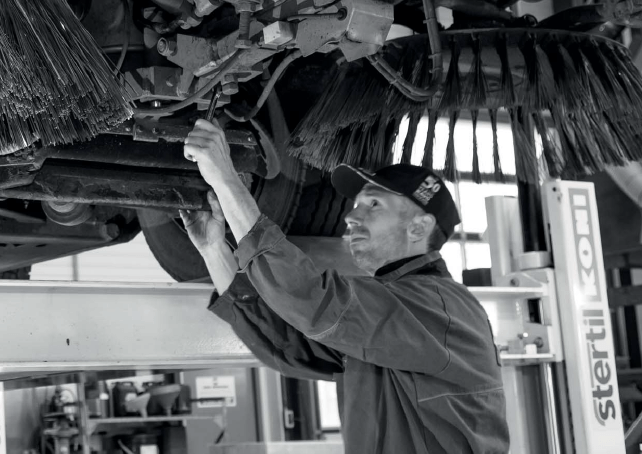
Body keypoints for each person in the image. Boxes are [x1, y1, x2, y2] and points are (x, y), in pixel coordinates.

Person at [182, 118, 510, 454]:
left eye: (373, 205)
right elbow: (287, 343)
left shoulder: (439, 308)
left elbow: (312, 302)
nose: (351, 217)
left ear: (418, 228)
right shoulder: (395, 316)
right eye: (356, 205)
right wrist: (214, 249)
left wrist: (225, 178)